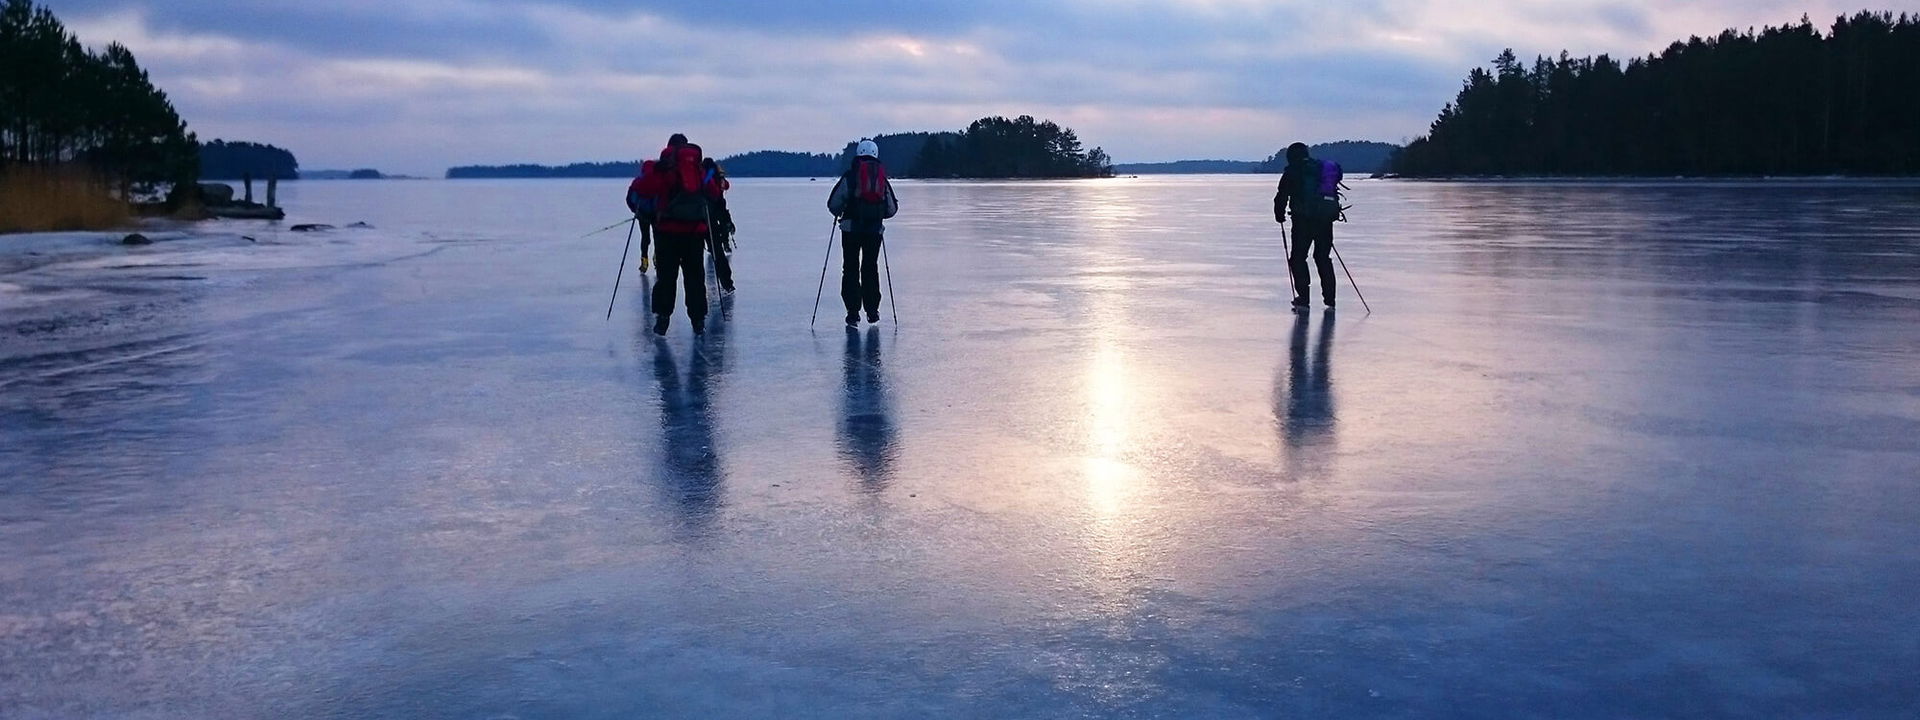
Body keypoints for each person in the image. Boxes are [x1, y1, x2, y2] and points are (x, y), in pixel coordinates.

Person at [636, 133, 726, 336]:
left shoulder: (663, 168)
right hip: (694, 233)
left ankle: (662, 318)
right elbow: (713, 194)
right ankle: (698, 320)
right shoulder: (697, 169)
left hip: (666, 233)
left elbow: (641, 191)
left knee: (666, 277)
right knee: (695, 277)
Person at [826, 140, 899, 327]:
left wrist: (842, 210)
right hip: (874, 231)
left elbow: (833, 204)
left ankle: (852, 313)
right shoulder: (881, 178)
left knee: (850, 268)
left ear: (858, 154)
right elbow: (891, 209)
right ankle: (872, 310)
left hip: (850, 230)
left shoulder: (850, 177)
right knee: (870, 267)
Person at [1273, 142, 1339, 309]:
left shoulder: (1292, 171)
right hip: (1324, 221)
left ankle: (1304, 297)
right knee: (1323, 258)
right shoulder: (1319, 169)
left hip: (1302, 222)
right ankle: (1330, 299)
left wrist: (1279, 216)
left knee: (1298, 258)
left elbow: (1281, 197)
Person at [701, 157, 737, 294]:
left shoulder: (698, 178)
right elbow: (721, 204)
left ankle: (698, 291)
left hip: (696, 222)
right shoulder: (716, 180)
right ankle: (727, 283)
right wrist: (727, 222)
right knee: (718, 254)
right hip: (712, 222)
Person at [624, 159, 657, 272]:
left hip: (642, 214)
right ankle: (657, 258)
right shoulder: (658, 180)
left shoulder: (638, 181)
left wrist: (635, 211)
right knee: (657, 237)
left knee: (645, 238)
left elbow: (629, 198)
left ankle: (644, 260)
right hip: (656, 214)